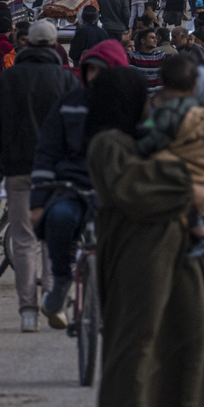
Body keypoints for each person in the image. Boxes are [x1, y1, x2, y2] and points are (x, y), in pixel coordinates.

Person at [86, 67, 204, 407]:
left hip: (176, 238)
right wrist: (187, 183)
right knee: (138, 337)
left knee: (194, 330)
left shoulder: (146, 139)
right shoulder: (106, 143)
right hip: (135, 245)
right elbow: (131, 187)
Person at [0, 20, 80, 332]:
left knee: (23, 238)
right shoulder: (66, 80)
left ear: (24, 44)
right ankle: (54, 300)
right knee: (54, 237)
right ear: (53, 46)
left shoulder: (7, 80)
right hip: (57, 173)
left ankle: (27, 311)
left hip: (18, 168)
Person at [33, 40, 128, 329]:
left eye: (102, 71)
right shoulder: (68, 104)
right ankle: (62, 281)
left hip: (116, 189)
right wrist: (37, 202)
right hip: (72, 185)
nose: (94, 77)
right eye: (90, 71)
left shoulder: (129, 106)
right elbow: (47, 151)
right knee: (59, 220)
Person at [137, 56, 204, 257]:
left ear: (162, 83)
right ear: (194, 87)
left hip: (189, 172)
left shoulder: (168, 112)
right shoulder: (199, 109)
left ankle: (202, 234)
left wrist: (138, 146)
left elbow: (154, 137)